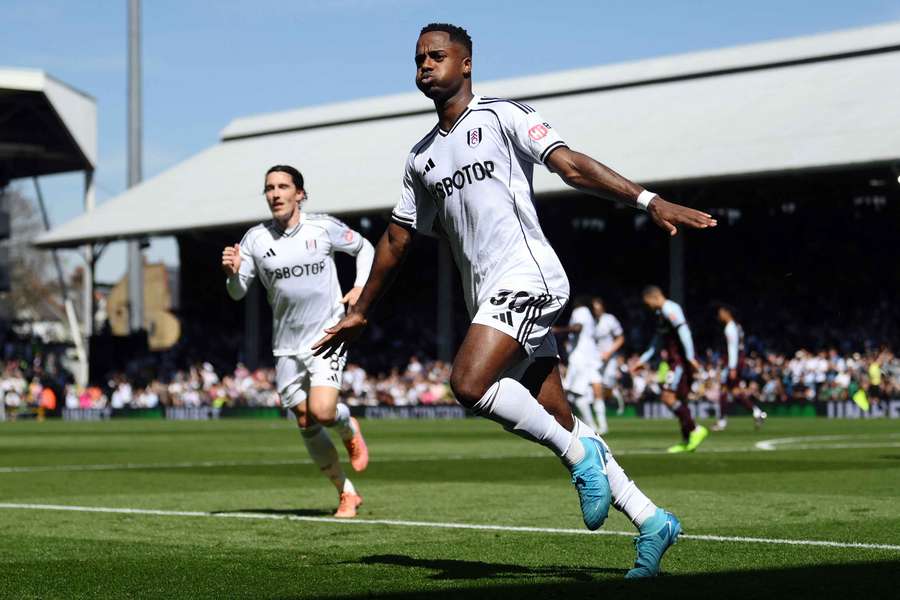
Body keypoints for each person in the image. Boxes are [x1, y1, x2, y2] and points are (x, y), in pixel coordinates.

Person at [313, 23, 716, 578]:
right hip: (492, 298)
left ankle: (583, 460)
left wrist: (647, 200)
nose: (425, 66)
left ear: (467, 63)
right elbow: (398, 239)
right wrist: (360, 309)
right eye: (418, 59)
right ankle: (652, 520)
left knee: (469, 383)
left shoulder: (502, 116)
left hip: (529, 277)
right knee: (559, 416)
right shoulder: (420, 158)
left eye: (437, 56)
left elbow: (570, 164)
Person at [222, 164, 375, 518]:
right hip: (286, 344)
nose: (275, 193)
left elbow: (365, 248)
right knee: (305, 422)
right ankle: (346, 493)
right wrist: (232, 275)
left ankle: (347, 424)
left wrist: (361, 287)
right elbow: (237, 293)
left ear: (299, 194)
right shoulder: (255, 240)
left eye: (282, 186)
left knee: (323, 412)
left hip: (327, 333)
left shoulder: (323, 227)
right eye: (269, 188)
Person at [633, 286, 709, 453]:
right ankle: (687, 440)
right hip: (676, 361)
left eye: (648, 303)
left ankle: (695, 430)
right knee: (681, 400)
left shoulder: (670, 309)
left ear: (654, 298)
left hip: (680, 362)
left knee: (667, 397)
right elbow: (657, 340)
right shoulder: (661, 315)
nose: (649, 307)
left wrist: (690, 357)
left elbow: (684, 331)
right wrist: (643, 359)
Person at [554, 297, 607, 434]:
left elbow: (578, 327)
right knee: (593, 391)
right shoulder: (589, 315)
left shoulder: (580, 310)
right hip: (590, 356)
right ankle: (601, 425)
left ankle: (592, 426)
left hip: (580, 357)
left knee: (576, 393)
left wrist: (557, 330)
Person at [712, 304, 766, 430]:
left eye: (720, 313)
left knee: (724, 391)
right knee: (735, 392)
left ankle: (721, 421)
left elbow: (732, 348)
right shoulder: (737, 326)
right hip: (738, 361)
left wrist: (732, 367)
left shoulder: (730, 328)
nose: (719, 316)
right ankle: (757, 413)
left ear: (727, 313)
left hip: (734, 362)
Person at [593, 298, 626, 418]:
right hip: (594, 360)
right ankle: (601, 421)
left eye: (597, 308)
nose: (596, 311)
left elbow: (620, 338)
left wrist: (609, 352)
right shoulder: (590, 321)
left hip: (609, 359)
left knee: (607, 386)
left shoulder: (610, 320)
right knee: (595, 386)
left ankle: (613, 396)